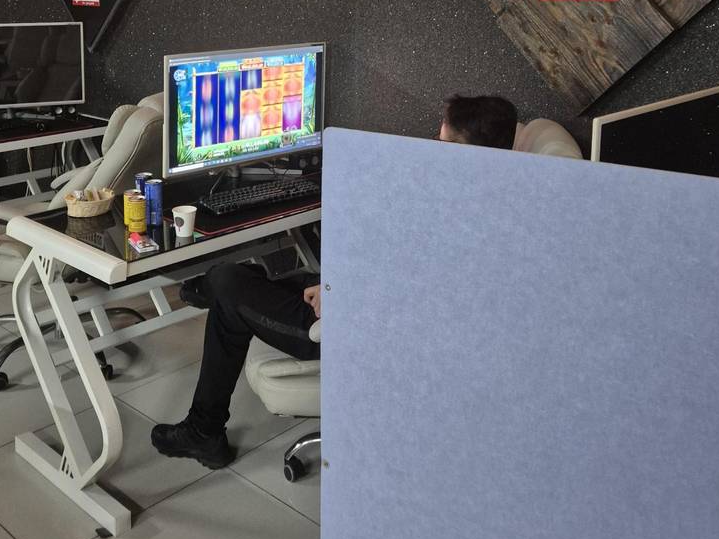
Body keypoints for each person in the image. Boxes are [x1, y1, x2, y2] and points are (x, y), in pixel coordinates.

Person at [150, 93, 518, 468]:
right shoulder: (492, 205)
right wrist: (336, 281)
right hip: (359, 299)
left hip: (356, 332)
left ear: (463, 152)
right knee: (244, 284)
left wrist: (340, 295)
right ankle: (205, 417)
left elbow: (412, 297)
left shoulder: (461, 222)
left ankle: (204, 418)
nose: (433, 148)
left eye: (441, 141)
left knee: (228, 282)